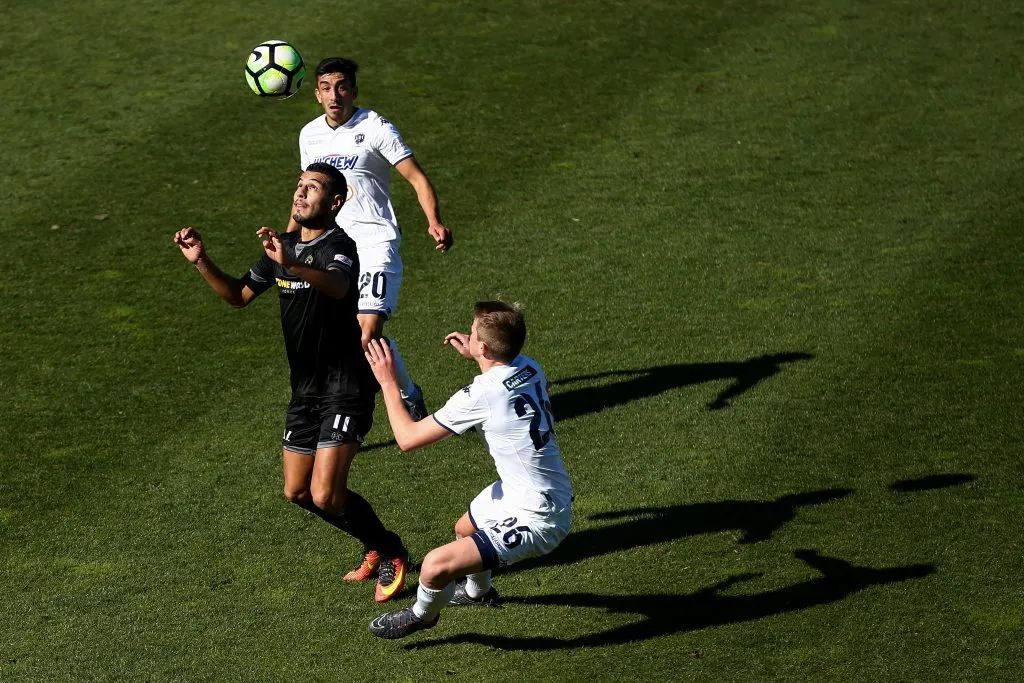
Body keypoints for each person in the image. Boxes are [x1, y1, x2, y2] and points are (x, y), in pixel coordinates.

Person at [174, 162, 410, 602]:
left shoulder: (340, 245)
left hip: (346, 387)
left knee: (325, 494)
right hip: (305, 392)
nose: (300, 193)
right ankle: (373, 543)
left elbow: (338, 287)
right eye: (299, 185)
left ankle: (391, 550)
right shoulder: (281, 248)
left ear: (334, 203)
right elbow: (238, 296)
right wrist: (201, 261)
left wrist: (295, 264)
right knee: (297, 491)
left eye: (312, 188)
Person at [362, 301, 573, 639]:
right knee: (465, 528)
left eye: (473, 334)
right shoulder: (530, 366)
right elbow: (505, 381)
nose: (468, 335)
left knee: (434, 566)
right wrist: (478, 353)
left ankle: (422, 616)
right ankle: (478, 592)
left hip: (540, 516)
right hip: (534, 490)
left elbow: (407, 438)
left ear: (485, 347)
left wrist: (387, 382)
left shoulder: (480, 396)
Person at [289, 56, 454, 426]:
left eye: (342, 87)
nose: (335, 95)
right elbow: (305, 194)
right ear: (317, 94)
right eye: (327, 88)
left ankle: (374, 409)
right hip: (332, 250)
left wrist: (434, 221)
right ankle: (407, 392)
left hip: (375, 242)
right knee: (336, 336)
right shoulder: (309, 135)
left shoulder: (376, 127)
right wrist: (291, 241)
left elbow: (416, 177)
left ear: (354, 91)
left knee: (366, 333)